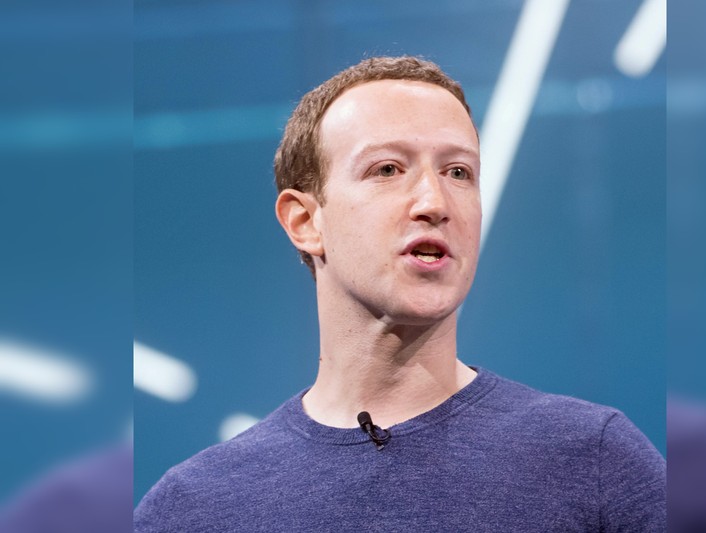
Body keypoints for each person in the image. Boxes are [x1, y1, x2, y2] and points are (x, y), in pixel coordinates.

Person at [134, 56, 666, 532]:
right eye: (387, 169)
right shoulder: (192, 509)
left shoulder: (595, 462)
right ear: (305, 222)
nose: (435, 202)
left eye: (458, 172)